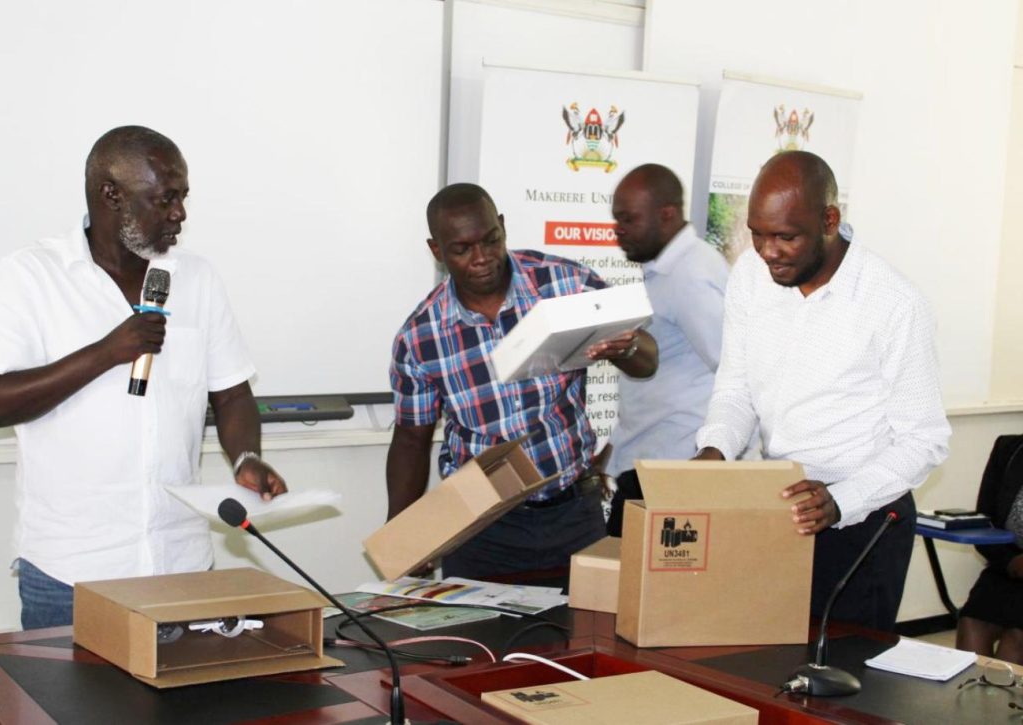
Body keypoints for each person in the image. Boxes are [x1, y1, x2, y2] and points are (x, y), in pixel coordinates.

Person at [0, 126, 287, 630]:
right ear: (111, 194)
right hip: (72, 573)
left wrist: (246, 456)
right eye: (165, 199)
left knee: (185, 710)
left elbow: (233, 394)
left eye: (183, 198)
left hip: (181, 563)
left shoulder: (196, 278)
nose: (180, 214)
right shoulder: (30, 277)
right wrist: (106, 353)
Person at [693, 151, 950, 631]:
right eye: (757, 233)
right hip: (779, 508)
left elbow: (924, 439)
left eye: (785, 237)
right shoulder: (751, 276)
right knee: (765, 666)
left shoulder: (894, 303)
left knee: (844, 684)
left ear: (830, 220)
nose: (768, 251)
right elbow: (736, 387)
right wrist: (715, 451)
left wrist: (841, 501)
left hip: (864, 519)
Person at [387, 183, 657, 578]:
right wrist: (403, 532)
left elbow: (647, 361)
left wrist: (626, 348)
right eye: (462, 249)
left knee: (586, 638)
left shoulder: (566, 284)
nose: (482, 258)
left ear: (502, 226)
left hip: (574, 516)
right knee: (477, 639)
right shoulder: (420, 337)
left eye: (490, 240)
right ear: (437, 251)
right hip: (480, 528)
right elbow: (412, 439)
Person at [604, 164, 728, 536]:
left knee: (634, 591)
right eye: (616, 219)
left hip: (673, 474)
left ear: (667, 215)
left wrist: (718, 459)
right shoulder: (669, 269)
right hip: (650, 464)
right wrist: (612, 448)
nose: (618, 231)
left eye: (628, 219)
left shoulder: (688, 277)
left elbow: (734, 371)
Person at [956, 435, 1023, 664]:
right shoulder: (1009, 449)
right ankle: (971, 697)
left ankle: (1003, 700)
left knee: (1016, 639)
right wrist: (1010, 562)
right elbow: (984, 524)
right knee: (972, 623)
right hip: (1009, 566)